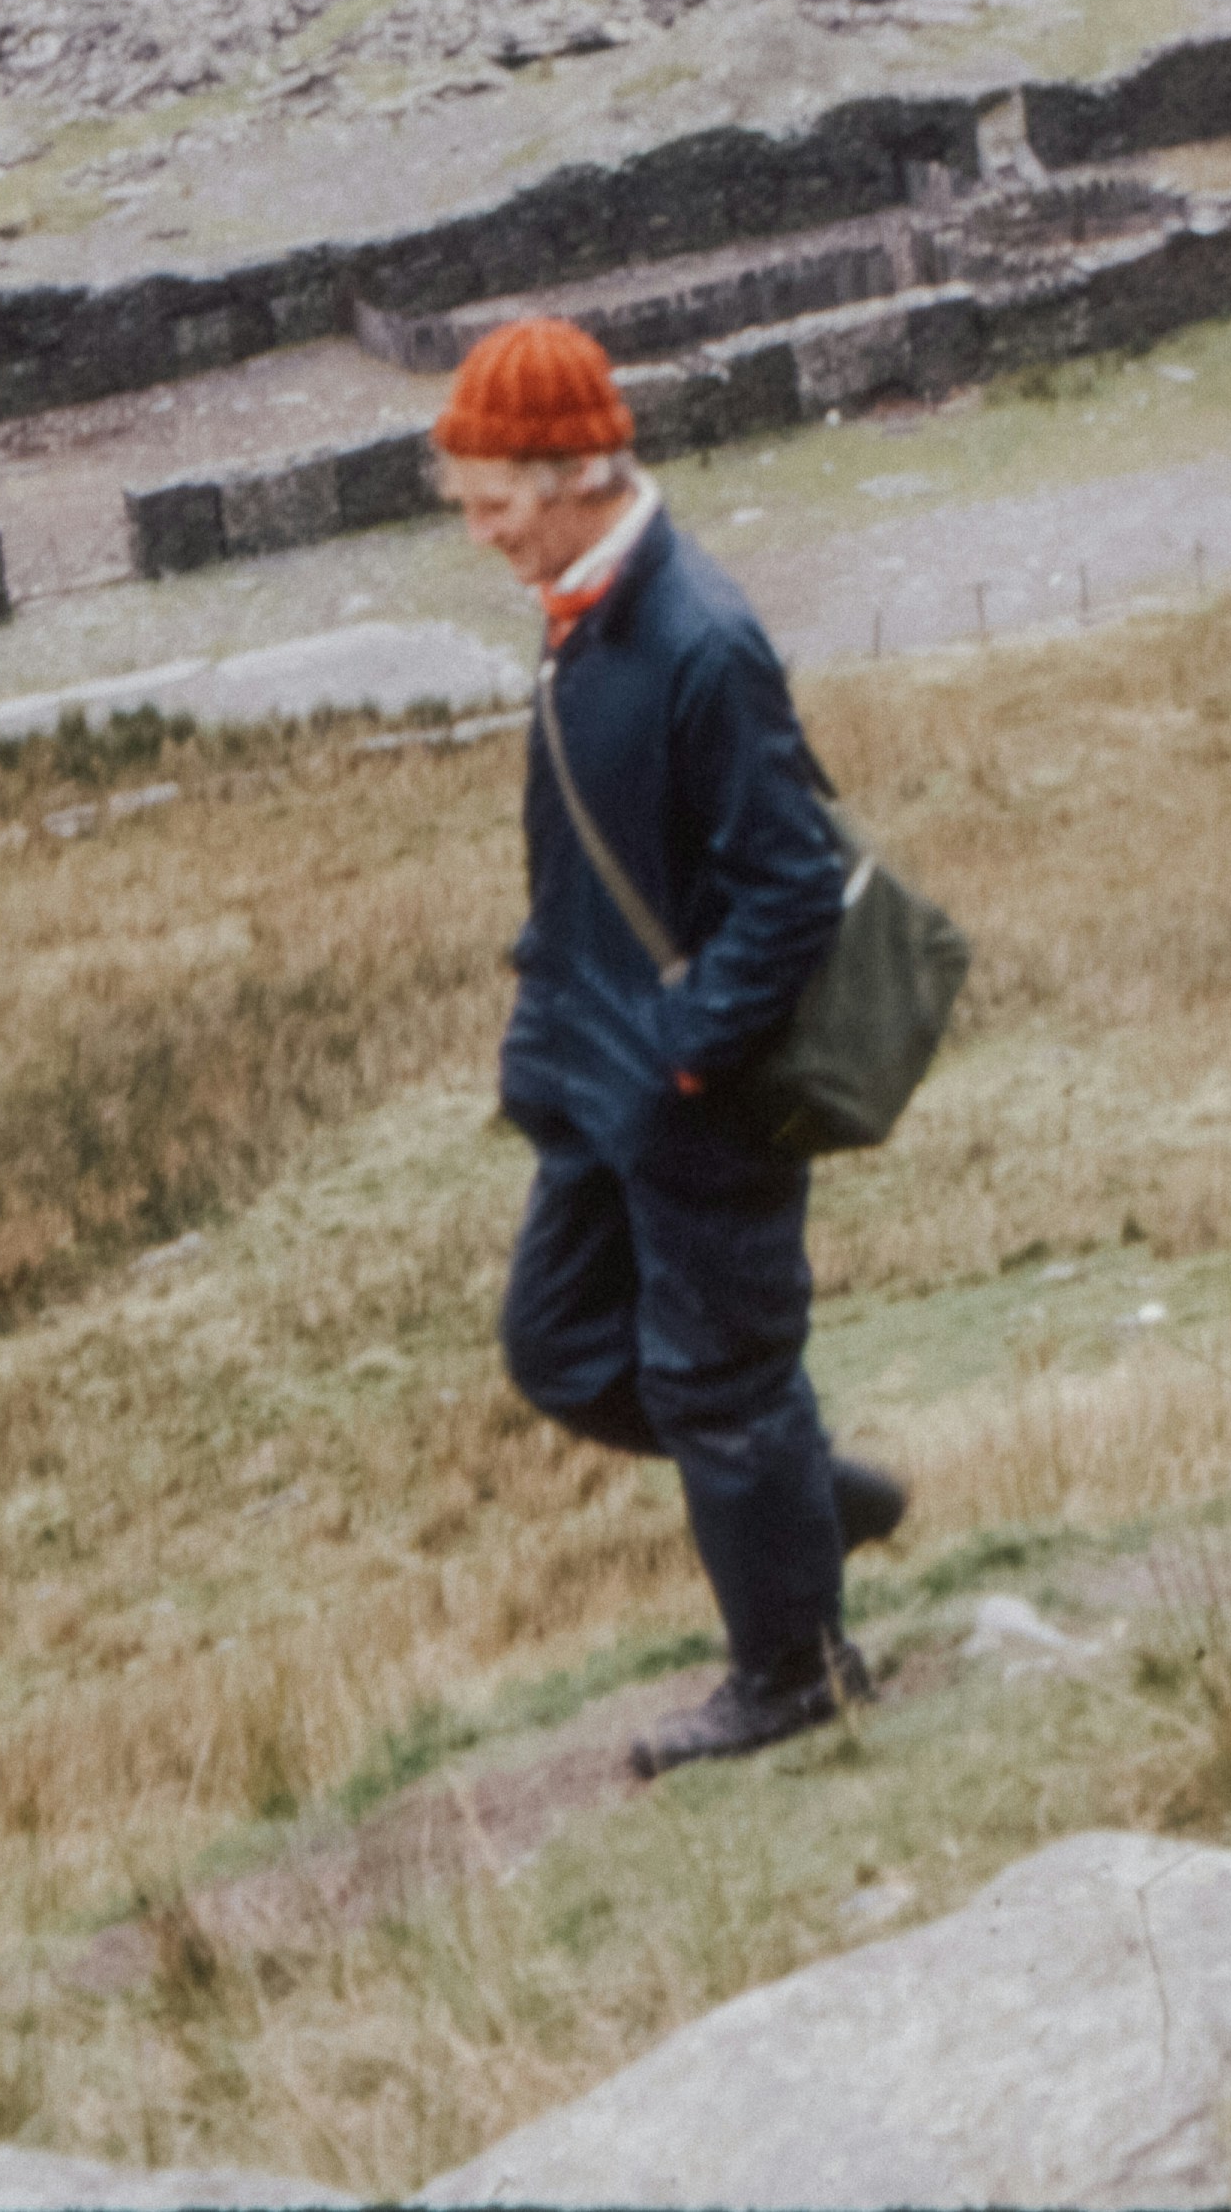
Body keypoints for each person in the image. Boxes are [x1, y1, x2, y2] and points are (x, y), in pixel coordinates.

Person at [438, 315, 907, 1776]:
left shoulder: (699, 634)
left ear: (577, 465)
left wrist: (687, 1054)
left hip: (700, 1093)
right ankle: (795, 1496)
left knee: (720, 1377)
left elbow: (788, 884)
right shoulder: (584, 602)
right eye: (466, 503)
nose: (484, 532)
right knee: (560, 1345)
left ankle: (793, 1672)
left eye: (498, 501)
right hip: (599, 1077)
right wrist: (552, 1032)